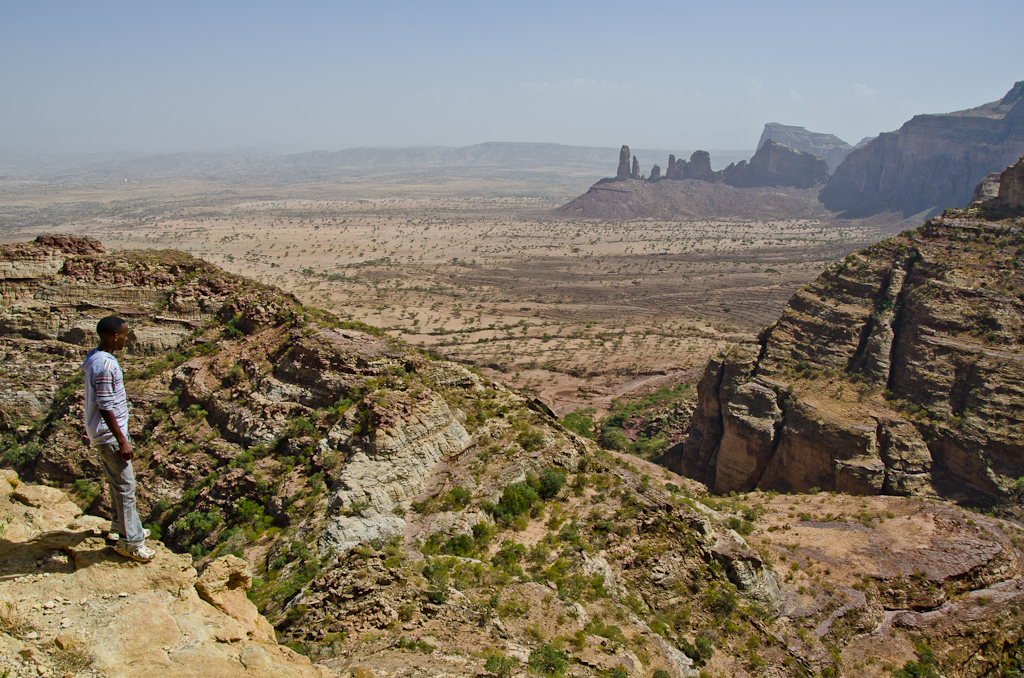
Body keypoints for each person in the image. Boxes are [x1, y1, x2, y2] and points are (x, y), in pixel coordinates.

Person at [82, 316, 155, 562]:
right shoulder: (105, 366)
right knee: (125, 487)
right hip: (109, 435)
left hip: (103, 433)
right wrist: (121, 439)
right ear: (114, 337)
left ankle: (122, 528)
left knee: (118, 485)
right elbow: (104, 405)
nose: (127, 338)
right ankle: (131, 543)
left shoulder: (95, 356)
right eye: (125, 334)